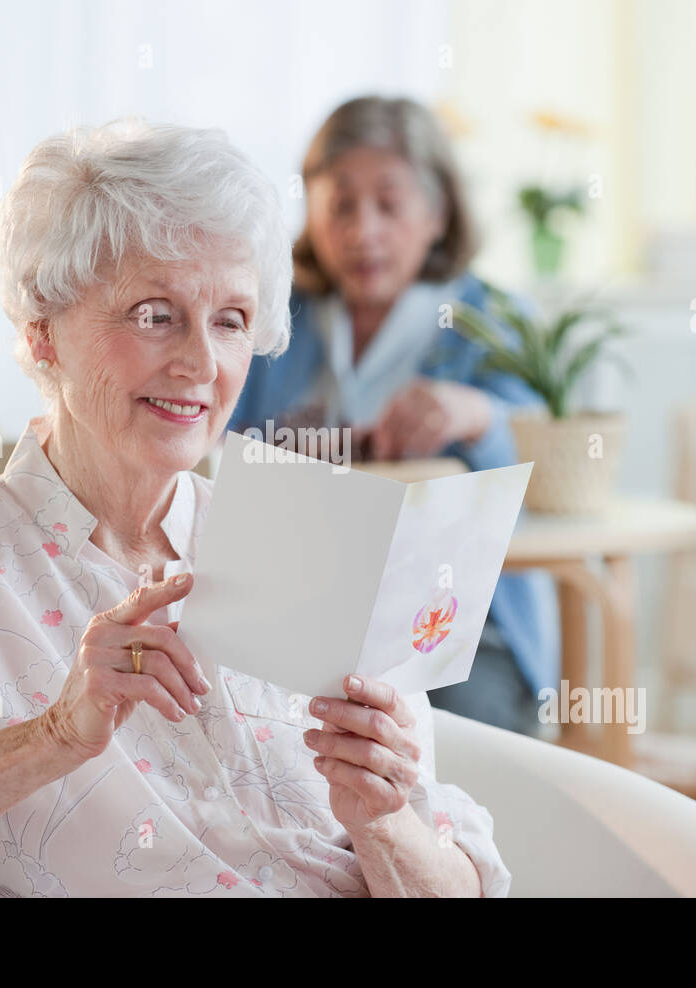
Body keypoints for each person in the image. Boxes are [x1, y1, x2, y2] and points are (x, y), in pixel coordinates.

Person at [0, 121, 511, 898]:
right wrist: (54, 737)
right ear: (42, 334)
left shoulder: (313, 542)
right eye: (154, 314)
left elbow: (460, 877)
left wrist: (383, 823)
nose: (201, 362)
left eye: (230, 320)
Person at [228, 96, 559, 736]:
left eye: (389, 203)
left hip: (459, 635)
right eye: (341, 204)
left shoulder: (491, 319)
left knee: (455, 764)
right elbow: (214, 450)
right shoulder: (274, 316)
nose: (362, 231)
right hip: (297, 618)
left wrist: (475, 414)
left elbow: (551, 458)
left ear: (437, 214)